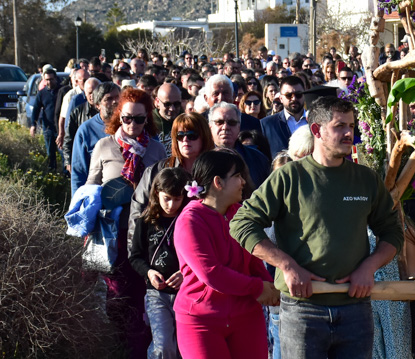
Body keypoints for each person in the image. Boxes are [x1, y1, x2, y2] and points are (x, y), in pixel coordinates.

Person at [230, 96, 404, 359]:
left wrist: (369, 267)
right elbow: (242, 223)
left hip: (355, 308)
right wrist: (287, 266)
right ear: (316, 130)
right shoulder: (288, 177)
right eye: (339, 126)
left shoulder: (366, 179)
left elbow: (392, 232)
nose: (349, 133)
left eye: (352, 126)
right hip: (303, 310)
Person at [87, 87, 168, 358]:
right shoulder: (104, 146)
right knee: (117, 294)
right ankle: (121, 343)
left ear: (148, 119)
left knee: (143, 294)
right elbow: (90, 186)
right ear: (118, 117)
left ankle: (140, 346)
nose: (133, 124)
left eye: (140, 119)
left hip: (148, 235)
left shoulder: (156, 149)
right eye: (127, 118)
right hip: (113, 234)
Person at [174, 149, 279, 359]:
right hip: (201, 322)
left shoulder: (240, 214)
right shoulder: (190, 220)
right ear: (218, 182)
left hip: (247, 316)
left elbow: (254, 263)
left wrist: (273, 289)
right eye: (237, 176)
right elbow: (211, 273)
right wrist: (258, 287)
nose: (243, 182)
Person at [128, 167, 190, 359]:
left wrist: (184, 273)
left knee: (182, 346)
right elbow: (135, 256)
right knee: (163, 346)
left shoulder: (189, 219)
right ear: (156, 193)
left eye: (177, 199)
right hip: (157, 294)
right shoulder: (145, 221)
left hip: (186, 292)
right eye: (167, 198)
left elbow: (199, 257)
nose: (171, 205)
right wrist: (149, 273)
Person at [129, 112, 216, 246]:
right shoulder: (157, 171)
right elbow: (138, 212)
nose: (185, 140)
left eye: (192, 135)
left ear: (204, 137)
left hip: (206, 244)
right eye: (180, 136)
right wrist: (137, 257)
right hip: (162, 249)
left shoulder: (216, 172)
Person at [261, 76, 307, 159]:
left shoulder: (315, 120)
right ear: (281, 98)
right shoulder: (267, 124)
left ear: (304, 95)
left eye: (298, 95)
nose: (294, 98)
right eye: (289, 95)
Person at [29, 68, 62, 169]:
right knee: (50, 153)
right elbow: (36, 109)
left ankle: (66, 176)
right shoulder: (42, 93)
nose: (49, 82)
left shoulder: (62, 91)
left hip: (60, 127)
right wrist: (33, 125)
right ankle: (53, 174)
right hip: (48, 127)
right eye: (47, 79)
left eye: (51, 79)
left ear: (55, 78)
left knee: (63, 152)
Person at [153, 82, 183, 147]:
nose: (172, 109)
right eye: (167, 104)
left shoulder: (185, 122)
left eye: (176, 104)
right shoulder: (148, 123)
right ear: (157, 102)